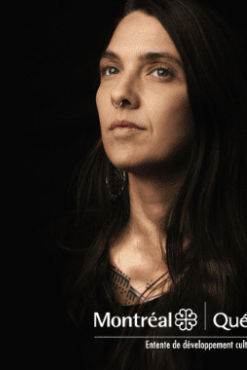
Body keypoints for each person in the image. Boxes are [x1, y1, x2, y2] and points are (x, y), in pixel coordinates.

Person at [53, 0, 247, 368]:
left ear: (209, 95)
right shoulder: (54, 256)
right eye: (111, 69)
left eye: (159, 72)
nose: (120, 93)